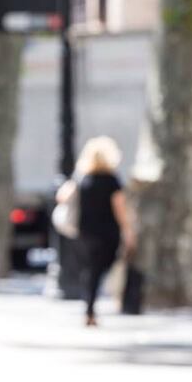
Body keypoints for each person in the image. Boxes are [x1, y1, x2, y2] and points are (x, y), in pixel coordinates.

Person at [58, 136, 135, 327]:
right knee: (99, 269)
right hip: (106, 232)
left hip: (85, 231)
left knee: (91, 270)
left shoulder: (82, 178)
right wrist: (128, 231)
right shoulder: (111, 181)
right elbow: (120, 209)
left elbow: (61, 196)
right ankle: (91, 309)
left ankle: (90, 308)